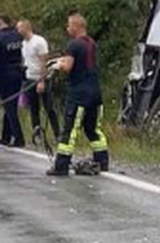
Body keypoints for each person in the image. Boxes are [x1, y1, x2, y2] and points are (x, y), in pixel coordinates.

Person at [46, 13, 109, 176]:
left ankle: (61, 165)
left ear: (76, 26)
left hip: (79, 94)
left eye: (69, 25)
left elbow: (67, 66)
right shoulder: (91, 43)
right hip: (95, 93)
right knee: (93, 129)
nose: (67, 28)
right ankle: (102, 161)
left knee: (70, 129)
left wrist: (56, 66)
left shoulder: (74, 45)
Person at [17, 19, 60, 142]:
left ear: (27, 27)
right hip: (29, 78)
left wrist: (41, 80)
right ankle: (37, 134)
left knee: (48, 108)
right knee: (33, 108)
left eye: (20, 28)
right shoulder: (24, 44)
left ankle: (58, 134)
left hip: (40, 78)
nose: (18, 31)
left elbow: (43, 61)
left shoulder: (39, 41)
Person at [0, 15, 25, 147]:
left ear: (1, 23)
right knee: (10, 105)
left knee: (9, 107)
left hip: (4, 74)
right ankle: (6, 136)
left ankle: (19, 137)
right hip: (18, 73)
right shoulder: (18, 36)